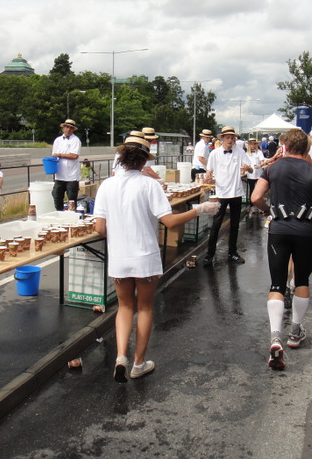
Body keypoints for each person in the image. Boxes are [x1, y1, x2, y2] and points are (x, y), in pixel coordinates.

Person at [93, 133, 219, 382]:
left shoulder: (106, 185)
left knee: (125, 307)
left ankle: (120, 356)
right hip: (145, 256)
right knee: (145, 308)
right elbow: (170, 222)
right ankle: (138, 363)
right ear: (143, 162)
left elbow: (99, 228)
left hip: (119, 257)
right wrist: (199, 209)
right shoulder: (149, 185)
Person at [251, 127, 312, 371]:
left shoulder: (272, 168)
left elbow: (256, 197)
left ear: (285, 146)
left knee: (277, 284)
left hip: (278, 230)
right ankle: (295, 332)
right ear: (308, 148)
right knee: (302, 280)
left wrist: (268, 210)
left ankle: (275, 337)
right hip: (305, 231)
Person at [203, 126, 254, 266]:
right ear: (222, 138)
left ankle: (232, 252)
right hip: (221, 193)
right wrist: (208, 175)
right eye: (228, 137)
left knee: (235, 224)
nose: (231, 140)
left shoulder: (240, 152)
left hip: (236, 192)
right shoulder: (214, 154)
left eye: (233, 138)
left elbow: (250, 167)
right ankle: (210, 254)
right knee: (216, 224)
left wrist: (247, 168)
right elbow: (209, 171)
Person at [51, 119, 81, 210]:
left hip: (71, 176)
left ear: (73, 130)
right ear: (63, 128)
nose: (68, 129)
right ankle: (60, 215)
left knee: (72, 200)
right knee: (57, 197)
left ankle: (72, 217)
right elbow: (54, 155)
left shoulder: (75, 140)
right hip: (59, 175)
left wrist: (60, 155)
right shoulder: (58, 140)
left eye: (71, 128)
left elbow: (74, 155)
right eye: (67, 127)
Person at [245, 138, 265, 209]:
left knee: (259, 190)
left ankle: (259, 204)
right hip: (250, 174)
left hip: (258, 174)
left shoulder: (259, 152)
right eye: (251, 144)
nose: (253, 145)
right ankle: (251, 204)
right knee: (251, 189)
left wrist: (259, 165)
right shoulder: (246, 154)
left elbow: (262, 162)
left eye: (254, 144)